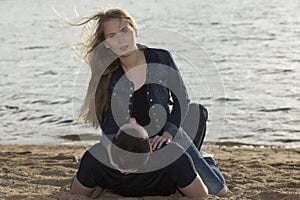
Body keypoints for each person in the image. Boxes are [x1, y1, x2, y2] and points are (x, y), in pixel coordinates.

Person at [75, 7, 228, 196]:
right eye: (112, 36)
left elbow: (182, 99)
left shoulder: (161, 57)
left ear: (134, 30)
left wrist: (168, 134)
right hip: (132, 143)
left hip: (163, 135)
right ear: (106, 44)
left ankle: (206, 160)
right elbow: (109, 122)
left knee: (218, 191)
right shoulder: (110, 75)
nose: (121, 39)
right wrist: (113, 154)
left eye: (124, 31)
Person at [71, 118, 209, 198]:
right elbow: (201, 195)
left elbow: (77, 195)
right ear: (151, 147)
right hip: (164, 180)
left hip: (115, 182)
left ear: (112, 146)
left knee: (89, 180)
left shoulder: (96, 157)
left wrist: (101, 180)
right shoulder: (172, 155)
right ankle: (208, 160)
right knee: (197, 112)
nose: (133, 119)